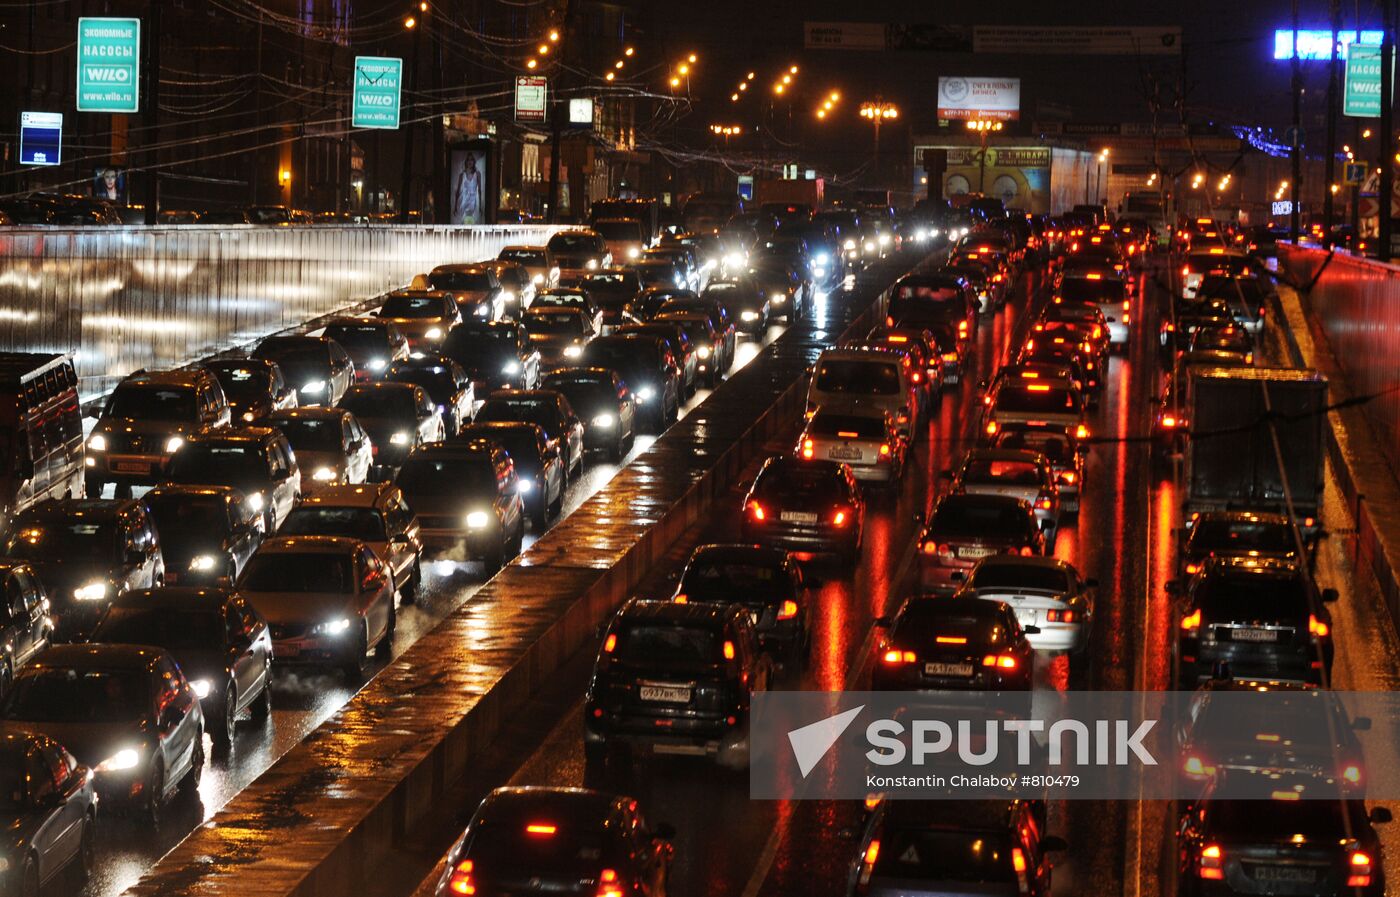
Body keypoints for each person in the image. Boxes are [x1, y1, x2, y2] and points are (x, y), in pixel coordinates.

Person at [452, 153, 483, 225]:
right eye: (468, 160)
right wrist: (455, 207)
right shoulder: (462, 175)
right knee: (463, 223)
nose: (470, 162)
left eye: (471, 160)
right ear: (466, 162)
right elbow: (458, 191)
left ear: (474, 161)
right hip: (464, 201)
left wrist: (480, 206)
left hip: (473, 202)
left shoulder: (477, 174)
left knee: (473, 223)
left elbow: (479, 190)